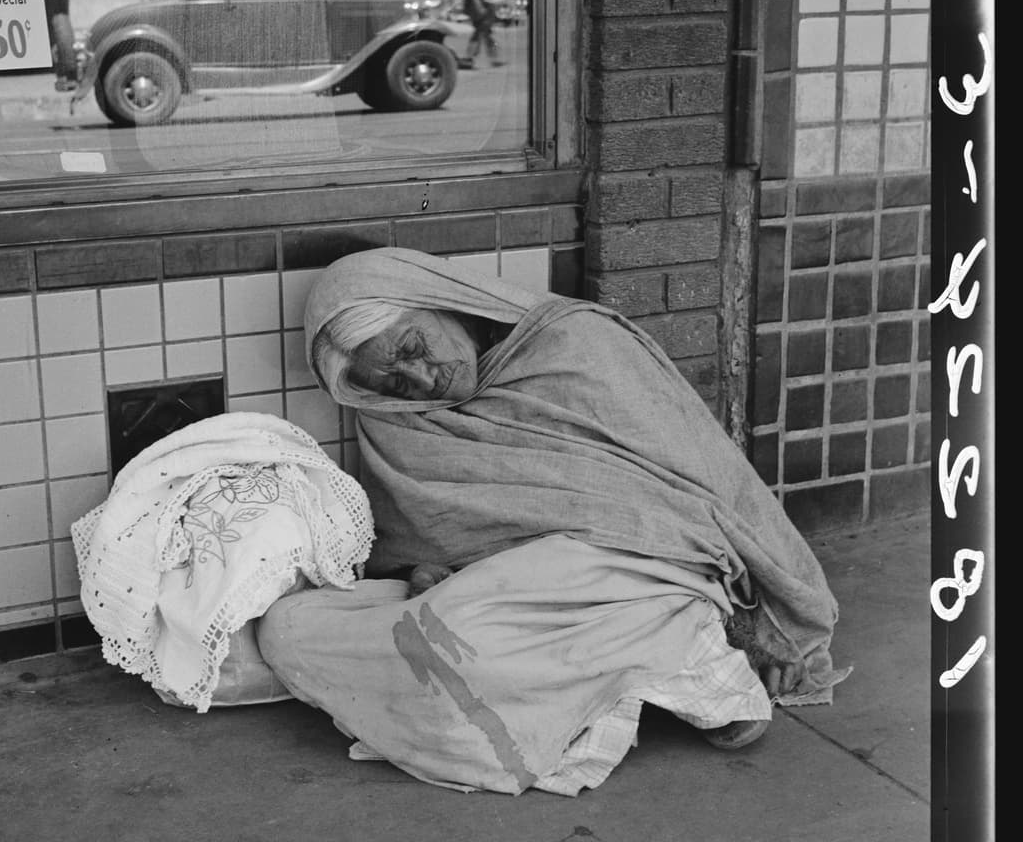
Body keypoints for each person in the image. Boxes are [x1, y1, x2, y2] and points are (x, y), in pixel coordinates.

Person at [255, 247, 850, 797]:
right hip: (508, 594)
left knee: (458, 631)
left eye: (411, 348)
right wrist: (432, 570)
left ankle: (697, 655)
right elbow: (425, 541)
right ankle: (665, 659)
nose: (420, 380)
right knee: (288, 627)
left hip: (633, 566)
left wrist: (766, 616)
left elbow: (709, 482)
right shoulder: (398, 420)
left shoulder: (578, 342)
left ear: (441, 300)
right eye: (390, 383)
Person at [461, 0, 503, 67]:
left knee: (484, 36)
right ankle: (470, 58)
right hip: (483, 14)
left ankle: (472, 58)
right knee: (481, 36)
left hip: (481, 14)